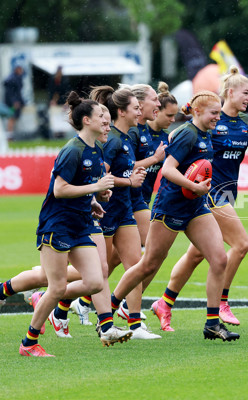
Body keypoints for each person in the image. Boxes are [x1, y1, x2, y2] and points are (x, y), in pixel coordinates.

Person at [110, 90, 239, 341]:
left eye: (219, 112)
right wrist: (193, 186)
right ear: (198, 111)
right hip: (170, 208)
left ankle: (212, 323)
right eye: (214, 112)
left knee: (219, 258)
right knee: (148, 264)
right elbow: (167, 170)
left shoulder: (205, 134)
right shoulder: (186, 134)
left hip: (196, 207)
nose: (218, 117)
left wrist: (198, 189)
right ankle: (109, 311)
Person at [151, 66, 248, 330]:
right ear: (230, 92)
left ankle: (164, 302)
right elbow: (182, 138)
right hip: (211, 193)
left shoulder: (246, 123)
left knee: (196, 255)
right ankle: (222, 302)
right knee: (240, 245)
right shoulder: (211, 123)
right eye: (246, 93)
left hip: (229, 193)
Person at [18, 92, 117, 357]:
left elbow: (81, 187)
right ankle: (29, 343)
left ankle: (42, 299)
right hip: (57, 225)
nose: (107, 122)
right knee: (58, 287)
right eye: (101, 117)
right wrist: (96, 187)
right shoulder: (72, 150)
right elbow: (60, 189)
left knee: (96, 281)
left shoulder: (96, 149)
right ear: (86, 120)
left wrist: (94, 199)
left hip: (81, 224)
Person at [89, 85, 155, 339]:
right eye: (136, 108)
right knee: (96, 273)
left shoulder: (128, 138)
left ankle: (136, 325)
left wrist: (131, 179)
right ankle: (45, 291)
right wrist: (129, 181)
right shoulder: (113, 139)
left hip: (124, 210)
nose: (140, 111)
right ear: (122, 111)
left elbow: (125, 174)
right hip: (105, 212)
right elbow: (100, 177)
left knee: (136, 265)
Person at [3, 65, 24, 136]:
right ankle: (9, 136)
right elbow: (11, 93)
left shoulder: (15, 78)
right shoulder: (12, 79)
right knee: (11, 118)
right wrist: (14, 101)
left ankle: (10, 135)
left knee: (13, 118)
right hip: (12, 103)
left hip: (12, 102)